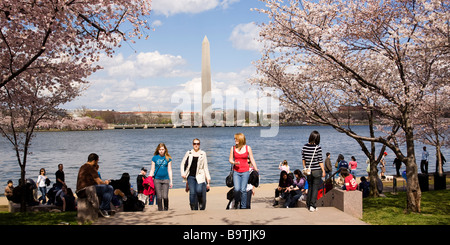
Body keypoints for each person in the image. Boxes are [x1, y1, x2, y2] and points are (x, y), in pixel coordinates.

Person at [76, 153, 114, 218]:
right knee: (109, 188)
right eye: (97, 161)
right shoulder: (90, 167)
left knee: (105, 191)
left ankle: (106, 209)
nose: (97, 163)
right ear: (94, 161)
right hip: (86, 190)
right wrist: (106, 183)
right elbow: (99, 182)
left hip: (80, 190)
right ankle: (102, 209)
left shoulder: (83, 167)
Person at [229, 133, 259, 209]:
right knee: (237, 189)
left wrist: (256, 169)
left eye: (236, 139)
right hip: (236, 171)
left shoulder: (248, 148)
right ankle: (236, 201)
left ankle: (243, 206)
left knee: (243, 190)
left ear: (241, 139)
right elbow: (230, 159)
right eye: (234, 139)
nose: (235, 140)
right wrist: (234, 162)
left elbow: (252, 158)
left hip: (245, 171)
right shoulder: (233, 148)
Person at [180, 138, 211, 210]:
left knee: (199, 190)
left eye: (197, 144)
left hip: (200, 175)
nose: (196, 145)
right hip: (190, 176)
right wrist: (183, 173)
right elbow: (182, 164)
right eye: (194, 144)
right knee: (192, 193)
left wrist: (208, 180)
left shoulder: (203, 153)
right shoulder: (189, 153)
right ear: (192, 144)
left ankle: (200, 201)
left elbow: (205, 167)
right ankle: (192, 207)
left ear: (199, 145)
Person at [302, 130, 325, 212]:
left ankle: (308, 204)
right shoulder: (318, 148)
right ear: (317, 139)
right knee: (315, 188)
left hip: (308, 171)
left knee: (310, 187)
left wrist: (305, 167)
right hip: (316, 170)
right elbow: (320, 160)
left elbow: (303, 159)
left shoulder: (304, 146)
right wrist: (323, 170)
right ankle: (313, 205)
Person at [150, 143, 173, 211]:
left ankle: (166, 209)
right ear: (158, 150)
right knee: (159, 197)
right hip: (157, 179)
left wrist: (171, 181)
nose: (161, 151)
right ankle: (160, 210)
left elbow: (170, 170)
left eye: (162, 149)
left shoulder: (168, 158)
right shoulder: (154, 158)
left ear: (165, 150)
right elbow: (152, 169)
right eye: (160, 149)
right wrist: (149, 178)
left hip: (166, 179)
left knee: (165, 196)